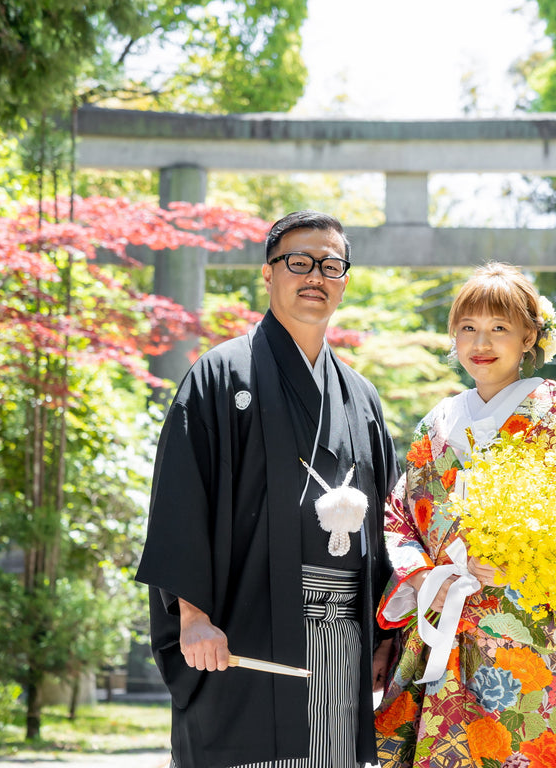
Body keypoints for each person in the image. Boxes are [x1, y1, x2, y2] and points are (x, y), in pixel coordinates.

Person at [135, 210, 399, 768]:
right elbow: (183, 501)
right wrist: (192, 616)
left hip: (340, 632)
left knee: (329, 756)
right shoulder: (220, 375)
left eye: (332, 265)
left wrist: (383, 632)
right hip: (244, 623)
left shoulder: (361, 397)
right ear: (268, 273)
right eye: (298, 262)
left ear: (345, 279)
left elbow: (389, 525)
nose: (316, 277)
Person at [374, 263, 556, 768]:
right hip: (453, 624)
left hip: (536, 632)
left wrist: (537, 566)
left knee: (535, 748)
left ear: (530, 336)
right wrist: (425, 577)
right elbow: (401, 514)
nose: (481, 342)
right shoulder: (437, 422)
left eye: (499, 328)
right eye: (468, 328)